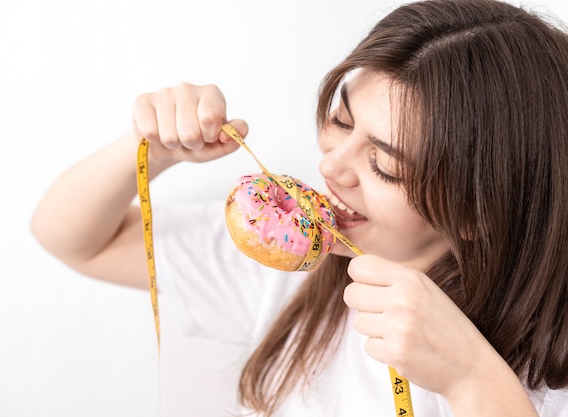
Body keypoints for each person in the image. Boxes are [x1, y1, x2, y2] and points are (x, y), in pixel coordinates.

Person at [30, 0, 568, 415]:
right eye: (341, 121)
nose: (332, 167)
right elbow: (74, 240)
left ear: (480, 211)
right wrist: (149, 152)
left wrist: (473, 381)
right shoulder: (291, 264)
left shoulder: (544, 377)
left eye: (386, 166)